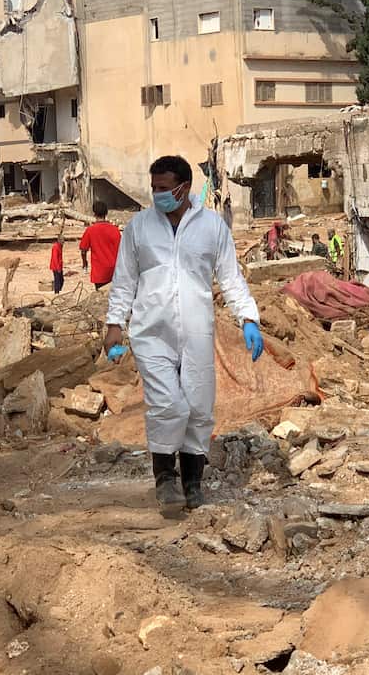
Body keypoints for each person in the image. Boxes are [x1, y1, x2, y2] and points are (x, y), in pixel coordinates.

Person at [104, 155, 263, 516]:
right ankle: (164, 478)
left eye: (164, 188)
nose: (157, 194)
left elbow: (231, 277)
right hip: (151, 332)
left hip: (196, 331)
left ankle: (192, 482)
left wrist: (248, 319)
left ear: (184, 188)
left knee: (198, 406)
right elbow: (125, 280)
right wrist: (115, 325)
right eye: (154, 188)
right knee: (166, 405)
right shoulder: (139, 227)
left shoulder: (211, 227)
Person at [79, 200, 122, 290]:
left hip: (99, 273)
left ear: (94, 213)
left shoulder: (90, 230)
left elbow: (83, 250)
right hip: (114, 271)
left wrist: (84, 263)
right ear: (106, 213)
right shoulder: (115, 230)